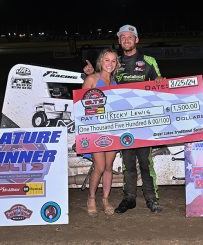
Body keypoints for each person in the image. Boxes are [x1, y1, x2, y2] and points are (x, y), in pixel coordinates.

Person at [83, 24, 164, 214]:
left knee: (146, 162)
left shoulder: (149, 60)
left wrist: (161, 82)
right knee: (127, 163)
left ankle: (152, 199)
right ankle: (129, 199)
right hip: (119, 125)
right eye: (123, 37)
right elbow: (95, 87)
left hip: (144, 122)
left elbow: (161, 85)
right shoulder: (115, 64)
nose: (126, 40)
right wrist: (87, 74)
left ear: (137, 40)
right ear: (119, 41)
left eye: (130, 37)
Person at [82, 48, 120, 216]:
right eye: (107, 60)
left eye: (113, 61)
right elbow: (80, 105)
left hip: (112, 131)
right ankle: (91, 197)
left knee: (109, 167)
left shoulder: (115, 83)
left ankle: (105, 199)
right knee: (100, 166)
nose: (110, 64)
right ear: (100, 62)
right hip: (95, 131)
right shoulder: (92, 79)